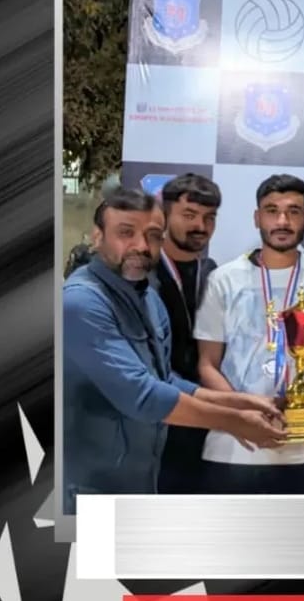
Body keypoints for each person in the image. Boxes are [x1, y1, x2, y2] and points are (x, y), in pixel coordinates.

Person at [62, 188, 286, 513]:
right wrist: (235, 421)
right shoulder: (81, 302)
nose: (141, 246)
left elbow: (164, 379)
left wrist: (240, 401)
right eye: (126, 232)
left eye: (153, 235)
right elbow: (143, 395)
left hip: (141, 483)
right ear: (98, 237)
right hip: (88, 491)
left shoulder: (148, 297)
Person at [195, 174, 304, 494]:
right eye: (272, 210)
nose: (282, 221)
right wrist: (245, 414)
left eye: (293, 211)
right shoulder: (224, 280)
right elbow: (207, 364)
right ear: (257, 217)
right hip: (234, 448)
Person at [154, 173, 222, 494]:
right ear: (165, 215)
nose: (200, 226)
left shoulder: (213, 274)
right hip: (154, 422)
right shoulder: (143, 274)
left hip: (203, 422)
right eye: (189, 215)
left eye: (210, 217)